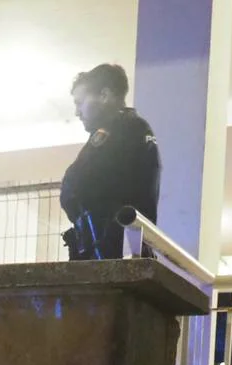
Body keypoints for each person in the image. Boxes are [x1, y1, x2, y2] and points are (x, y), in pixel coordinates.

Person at [61, 63, 161, 260]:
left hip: (109, 252)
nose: (77, 112)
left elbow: (78, 184)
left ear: (104, 96)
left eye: (80, 103)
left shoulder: (123, 131)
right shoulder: (131, 129)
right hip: (116, 249)